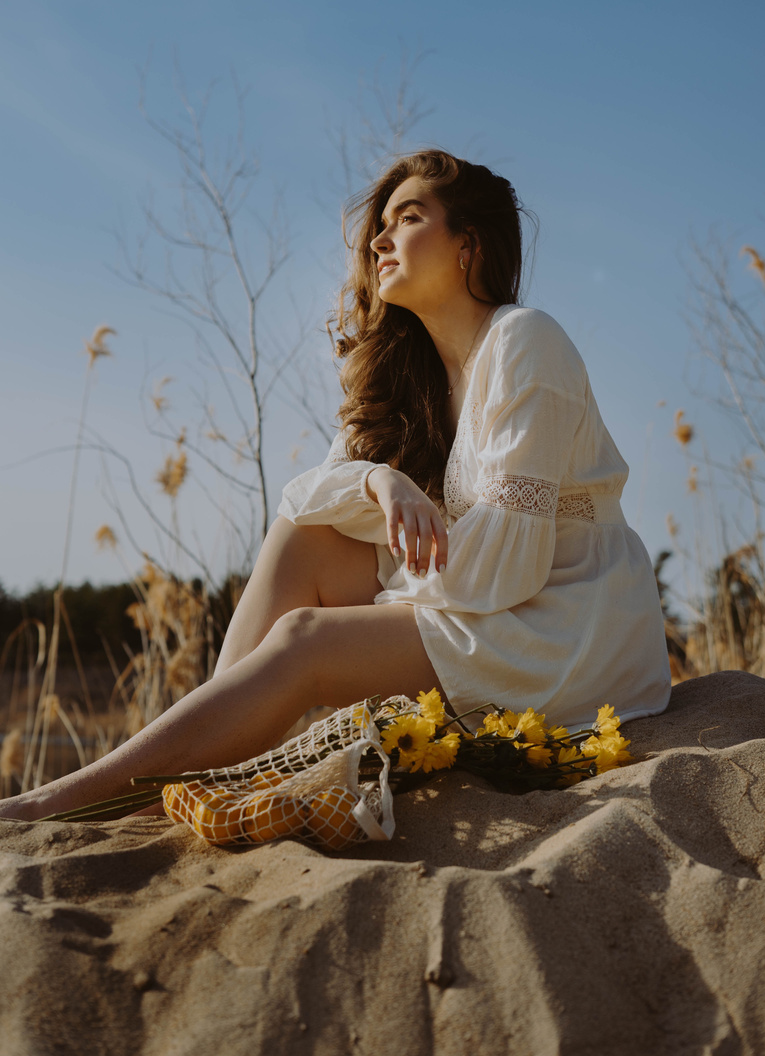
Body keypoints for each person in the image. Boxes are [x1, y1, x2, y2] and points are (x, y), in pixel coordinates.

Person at [0, 150, 670, 822]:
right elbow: (306, 500)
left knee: (306, 638)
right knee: (309, 539)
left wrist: (373, 608)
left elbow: (508, 570)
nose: (379, 238)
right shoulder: (410, 376)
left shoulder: (526, 340)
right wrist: (382, 480)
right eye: (380, 222)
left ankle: (67, 801)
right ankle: (197, 761)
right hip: (487, 608)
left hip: (568, 629)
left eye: (409, 218)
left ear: (468, 244)